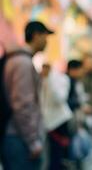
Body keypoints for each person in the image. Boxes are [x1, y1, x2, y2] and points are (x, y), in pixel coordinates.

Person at [1, 21, 53, 170]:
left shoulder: (19, 60)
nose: (46, 41)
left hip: (16, 136)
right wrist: (33, 142)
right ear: (36, 35)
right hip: (18, 138)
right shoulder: (22, 63)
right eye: (45, 36)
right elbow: (23, 104)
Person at [40, 63, 72, 170]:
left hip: (59, 122)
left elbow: (59, 99)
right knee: (49, 157)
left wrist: (49, 79)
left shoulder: (62, 79)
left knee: (57, 157)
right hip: (46, 123)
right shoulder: (42, 79)